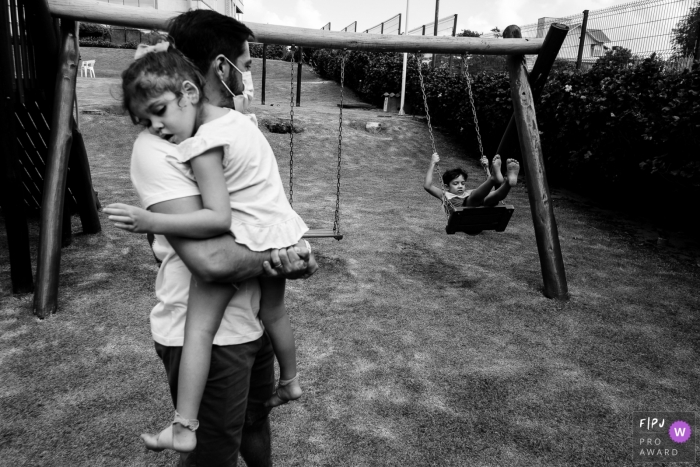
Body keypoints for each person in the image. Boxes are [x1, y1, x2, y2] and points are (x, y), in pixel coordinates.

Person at [105, 11, 316, 467]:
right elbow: (212, 263)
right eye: (246, 61)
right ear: (223, 67)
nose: (248, 73)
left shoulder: (223, 127)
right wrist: (284, 253)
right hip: (208, 334)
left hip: (250, 317)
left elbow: (249, 210)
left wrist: (291, 257)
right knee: (213, 455)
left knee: (256, 422)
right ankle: (183, 426)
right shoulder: (161, 146)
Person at [424, 153, 520, 211]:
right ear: (446, 186)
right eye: (455, 183)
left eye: (463, 183)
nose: (460, 186)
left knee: (492, 196)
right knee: (473, 197)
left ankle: (508, 182)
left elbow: (493, 189)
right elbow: (427, 186)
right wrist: (432, 163)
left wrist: (486, 167)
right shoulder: (444, 195)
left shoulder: (468, 193)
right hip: (464, 216)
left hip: (480, 216)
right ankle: (494, 179)